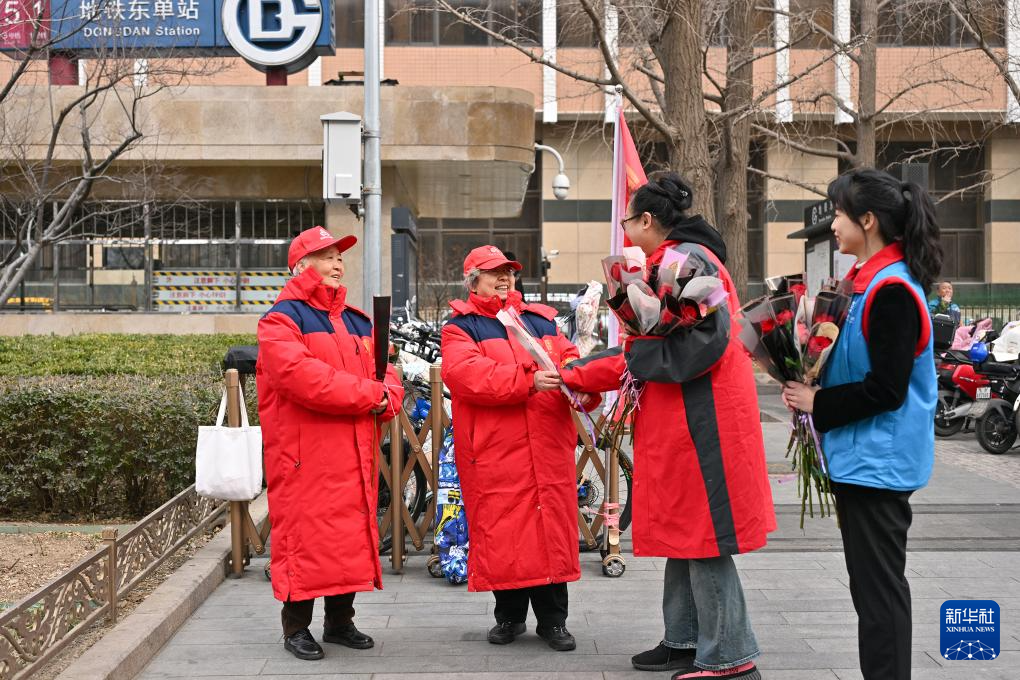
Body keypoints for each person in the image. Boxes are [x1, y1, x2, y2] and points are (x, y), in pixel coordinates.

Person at [562, 173, 774, 680]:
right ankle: (685, 640)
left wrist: (586, 370)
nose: (626, 229)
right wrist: (586, 371)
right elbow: (654, 347)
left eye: (628, 220)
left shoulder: (684, 263)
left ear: (649, 221)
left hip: (702, 418)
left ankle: (729, 656)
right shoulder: (683, 260)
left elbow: (687, 349)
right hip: (688, 415)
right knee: (687, 534)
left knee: (704, 536)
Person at [782, 168, 941, 680]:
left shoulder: (891, 290)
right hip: (862, 459)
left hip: (880, 463)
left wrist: (817, 401)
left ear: (868, 220)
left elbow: (886, 390)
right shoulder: (866, 283)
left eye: (840, 214)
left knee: (879, 598)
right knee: (872, 593)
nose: (833, 225)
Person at [440, 245, 600, 652]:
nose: (505, 278)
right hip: (496, 449)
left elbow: (568, 364)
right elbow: (467, 375)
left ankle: (553, 621)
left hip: (546, 443)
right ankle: (508, 617)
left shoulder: (541, 321)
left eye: (509, 271)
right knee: (505, 533)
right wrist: (528, 379)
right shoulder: (461, 327)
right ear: (473, 278)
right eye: (495, 272)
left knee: (549, 532)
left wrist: (587, 382)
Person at [256, 226, 404, 661]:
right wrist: (372, 396)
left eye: (339, 255)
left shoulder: (358, 320)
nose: (338, 262)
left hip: (354, 450)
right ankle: (295, 628)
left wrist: (388, 396)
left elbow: (386, 370)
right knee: (304, 540)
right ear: (300, 266)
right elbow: (305, 380)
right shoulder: (280, 319)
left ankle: (340, 622)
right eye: (326, 255)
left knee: (348, 538)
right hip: (305, 456)